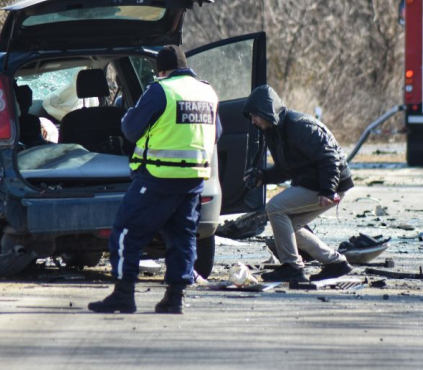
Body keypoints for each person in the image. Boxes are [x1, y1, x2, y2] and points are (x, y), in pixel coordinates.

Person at [88, 45, 220, 314]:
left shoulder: (161, 90)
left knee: (126, 232)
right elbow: (217, 132)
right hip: (194, 178)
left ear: (161, 70)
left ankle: (124, 294)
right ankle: (175, 298)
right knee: (183, 237)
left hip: (159, 177)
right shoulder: (208, 91)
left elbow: (130, 128)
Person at [243, 85, 354, 282]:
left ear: (267, 110)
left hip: (330, 184)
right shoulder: (275, 131)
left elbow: (329, 158)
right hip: (315, 182)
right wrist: (264, 176)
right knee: (289, 226)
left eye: (255, 115)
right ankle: (336, 263)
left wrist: (327, 190)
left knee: (275, 208)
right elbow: (287, 168)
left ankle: (292, 266)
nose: (253, 121)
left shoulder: (299, 126)